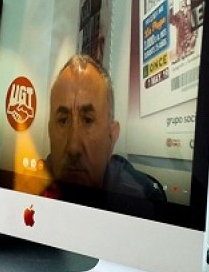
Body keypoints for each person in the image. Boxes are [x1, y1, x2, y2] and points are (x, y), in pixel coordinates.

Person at [41, 54, 165, 212]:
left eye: (87, 120)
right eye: (63, 120)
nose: (73, 148)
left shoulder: (141, 201)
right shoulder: (26, 191)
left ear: (112, 136)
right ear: (50, 131)